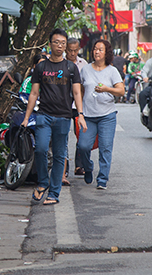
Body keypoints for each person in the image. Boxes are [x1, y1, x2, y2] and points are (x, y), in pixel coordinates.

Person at [22, 29, 86, 206]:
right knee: (41, 149)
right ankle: (43, 183)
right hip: (43, 115)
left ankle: (54, 193)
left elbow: (77, 92)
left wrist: (80, 114)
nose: (60, 46)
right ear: (50, 44)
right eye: (57, 42)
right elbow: (34, 93)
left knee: (59, 156)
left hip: (64, 117)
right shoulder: (41, 67)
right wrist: (27, 117)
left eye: (63, 43)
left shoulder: (71, 68)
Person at [76, 39, 125, 190]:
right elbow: (81, 91)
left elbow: (121, 91)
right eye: (95, 49)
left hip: (107, 115)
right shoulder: (85, 70)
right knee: (83, 146)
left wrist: (106, 89)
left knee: (105, 148)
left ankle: (102, 179)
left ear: (106, 53)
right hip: (89, 116)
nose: (97, 52)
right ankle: (88, 167)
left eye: (100, 49)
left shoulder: (112, 71)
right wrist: (81, 112)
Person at [64, 38, 89, 182]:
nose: (72, 53)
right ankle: (64, 169)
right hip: (64, 106)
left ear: (78, 49)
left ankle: (79, 165)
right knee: (63, 137)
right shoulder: (60, 63)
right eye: (70, 50)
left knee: (82, 136)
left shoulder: (83, 64)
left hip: (79, 107)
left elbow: (85, 85)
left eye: (75, 50)